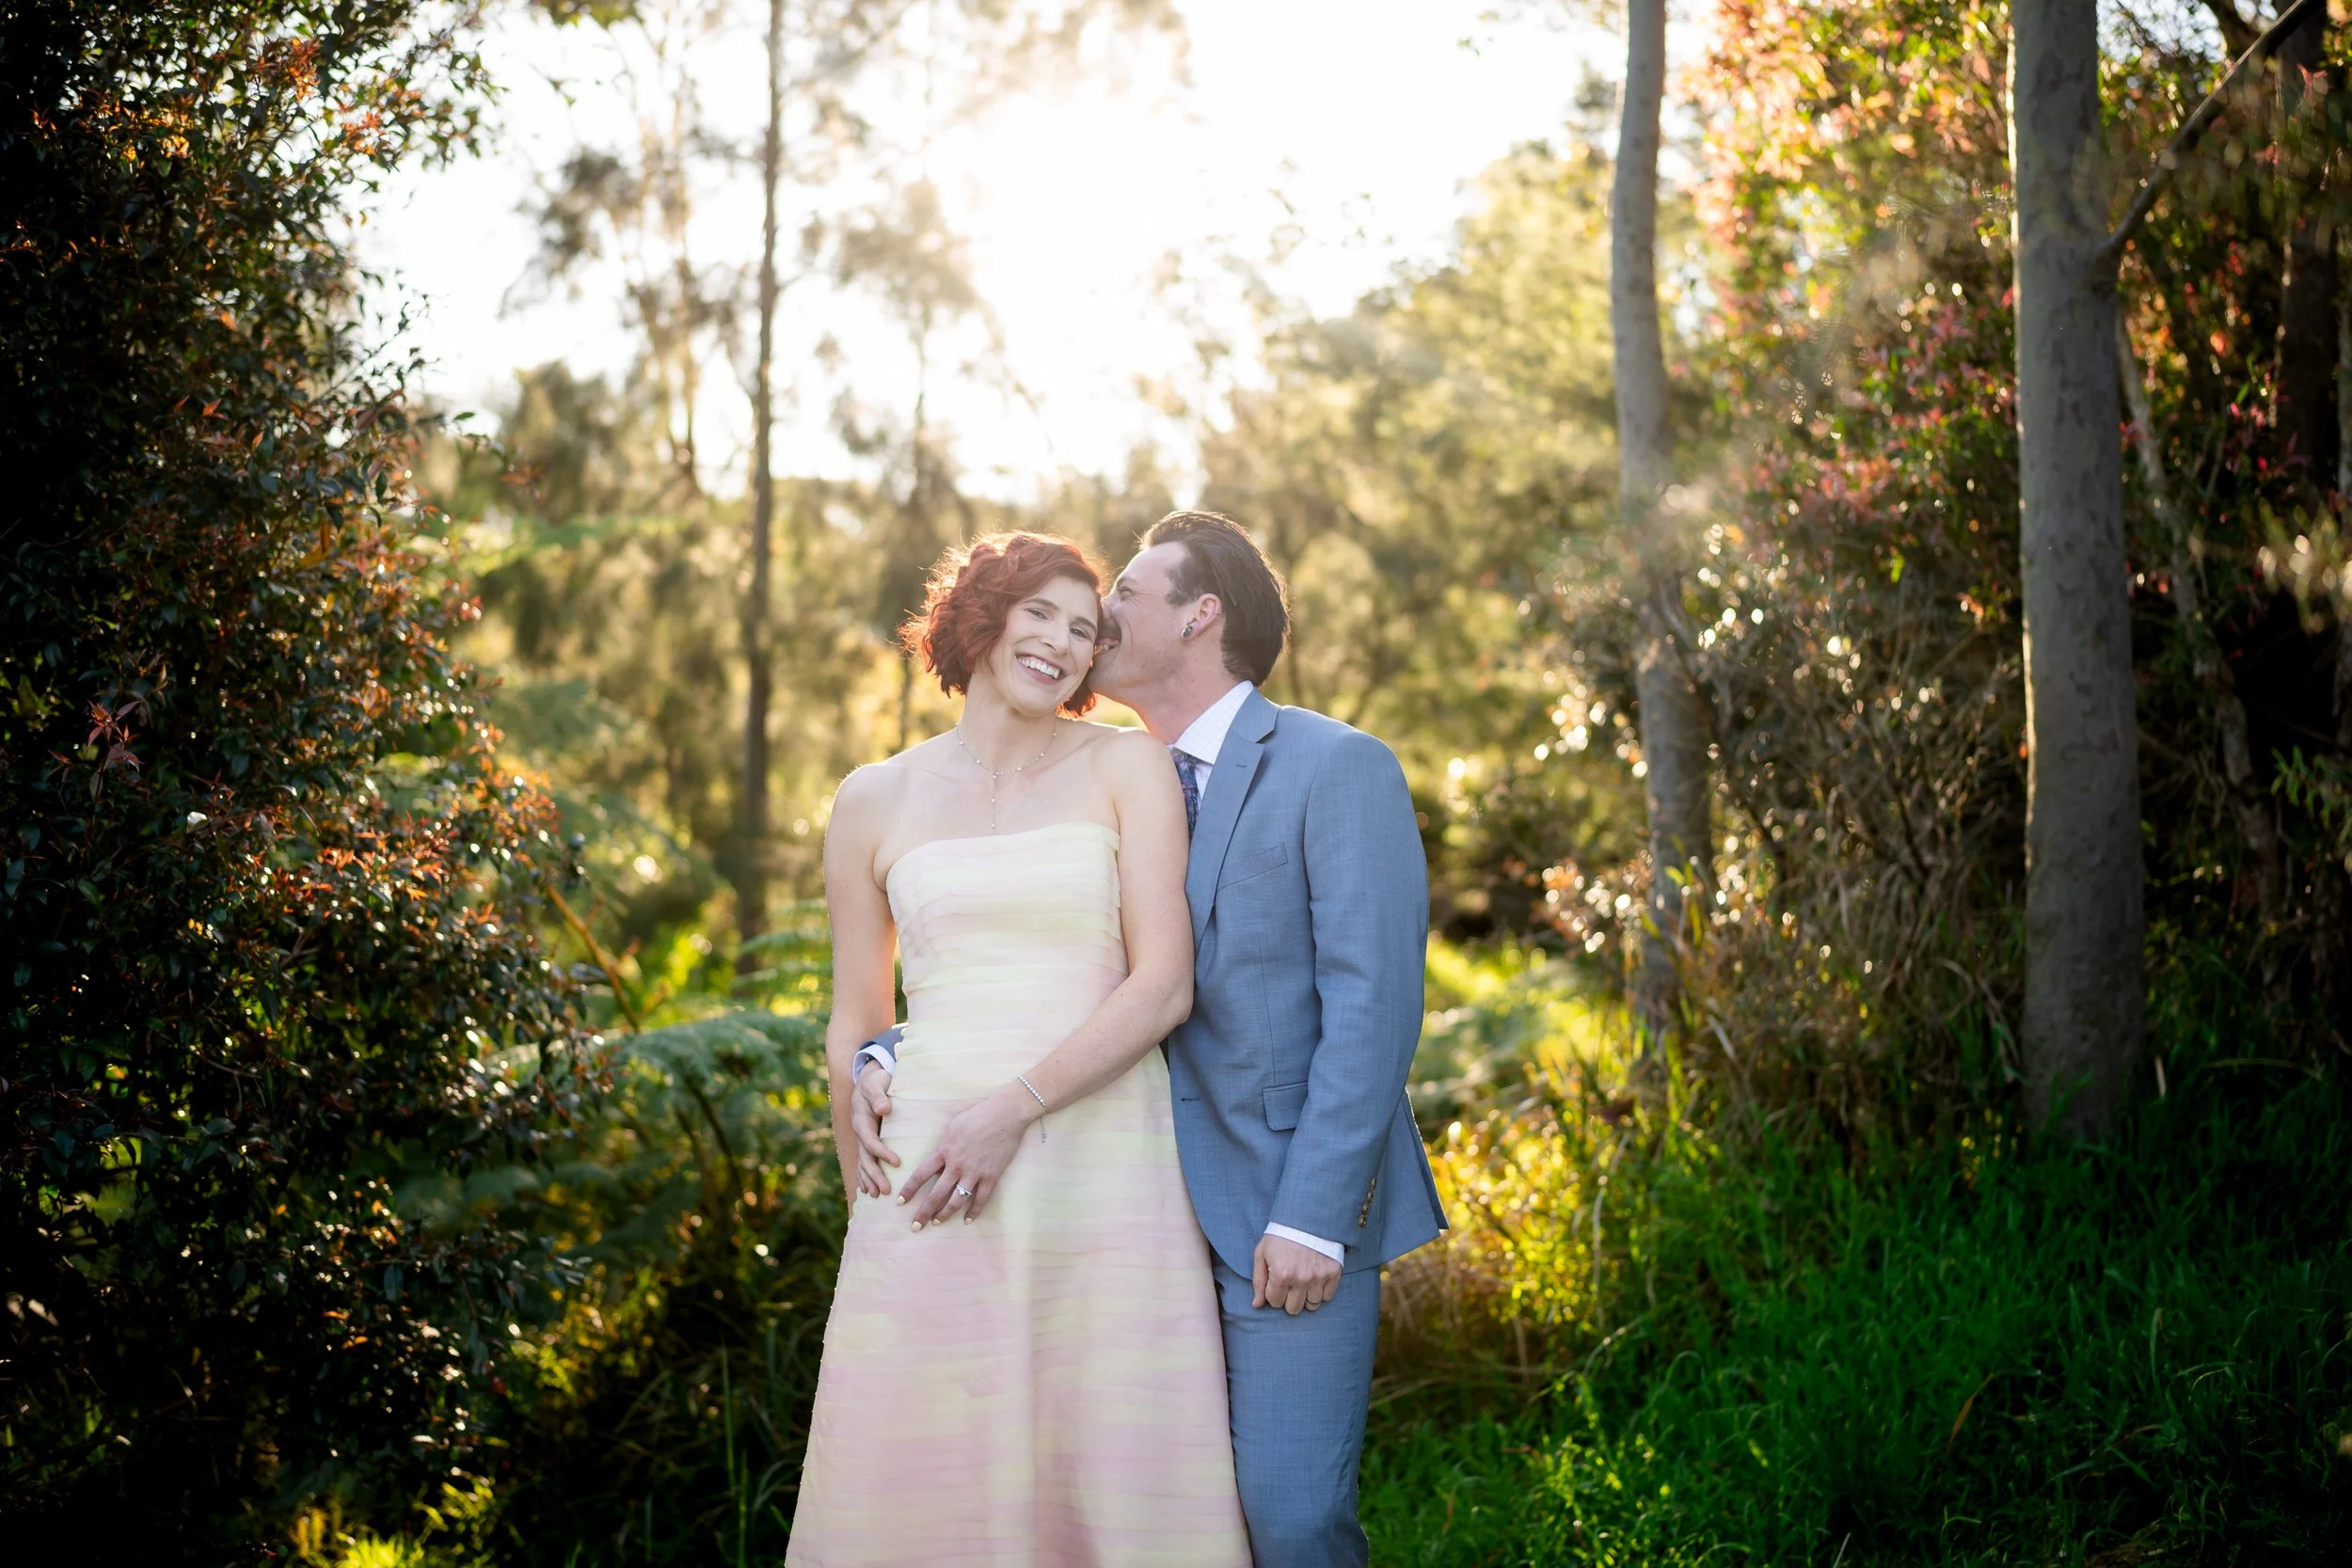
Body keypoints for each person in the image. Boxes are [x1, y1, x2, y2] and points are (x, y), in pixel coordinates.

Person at [854, 511, 1445, 1567]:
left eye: (1122, 592)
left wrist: (1314, 1216)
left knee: (1291, 1513)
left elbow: (1374, 1006)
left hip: (1275, 1210)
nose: (1098, 618)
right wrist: (894, 1049)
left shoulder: (1334, 764)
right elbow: (1049, 964)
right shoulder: (1096, 776)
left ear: (1199, 613)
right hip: (1117, 1210)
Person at [787, 532, 1249, 1566]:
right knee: (918, 1454)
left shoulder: (1127, 764)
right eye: (1039, 612)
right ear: (981, 617)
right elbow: (854, 1012)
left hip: (1101, 1158)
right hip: (928, 1167)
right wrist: (860, 1159)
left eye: (1085, 629)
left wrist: (1012, 1107)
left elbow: (1163, 983)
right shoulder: (872, 797)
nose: (1061, 641)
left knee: (1108, 1456)